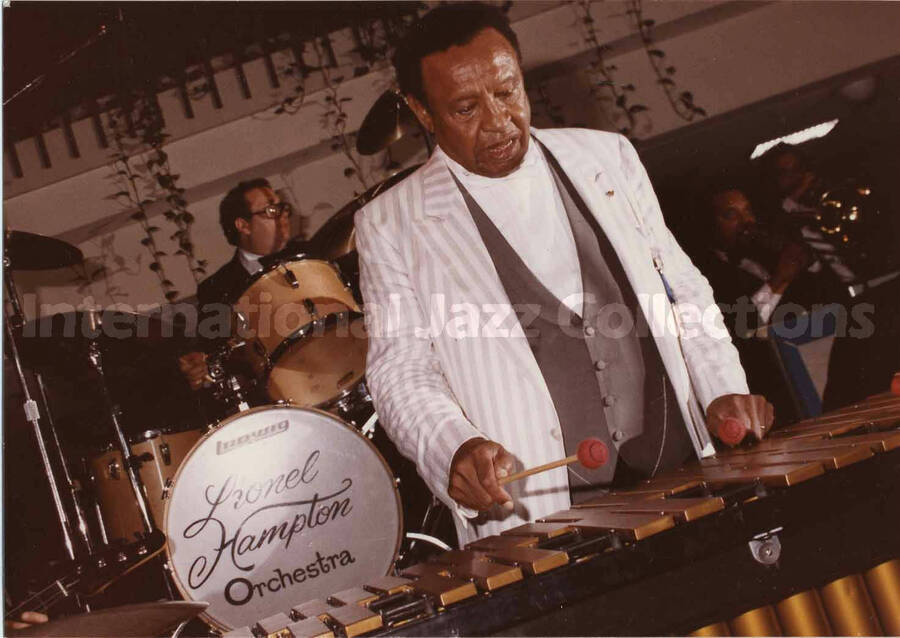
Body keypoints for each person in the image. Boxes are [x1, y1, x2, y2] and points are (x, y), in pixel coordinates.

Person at [355, 3, 773, 544]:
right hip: (540, 519)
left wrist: (723, 390)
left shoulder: (609, 156)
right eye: (465, 108)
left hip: (686, 468)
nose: (499, 122)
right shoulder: (390, 223)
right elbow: (400, 367)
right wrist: (451, 447)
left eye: (507, 92)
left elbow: (682, 291)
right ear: (422, 112)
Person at [178, 178, 296, 390]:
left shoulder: (310, 255)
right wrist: (201, 365)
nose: (282, 215)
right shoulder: (215, 290)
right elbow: (217, 357)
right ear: (243, 226)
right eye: (271, 210)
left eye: (282, 208)